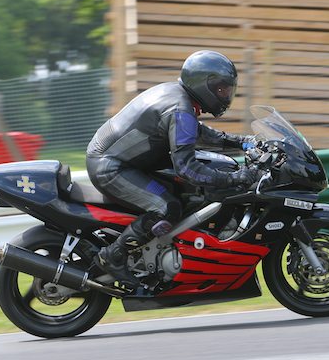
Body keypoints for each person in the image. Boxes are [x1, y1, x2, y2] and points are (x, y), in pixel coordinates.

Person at [86, 50, 259, 287]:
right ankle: (113, 256)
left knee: (186, 194)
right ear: (204, 85)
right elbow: (188, 169)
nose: (226, 95)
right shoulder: (179, 108)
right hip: (110, 167)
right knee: (167, 207)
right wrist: (236, 178)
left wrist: (242, 142)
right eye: (221, 89)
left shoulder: (178, 95)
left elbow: (197, 132)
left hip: (126, 160)